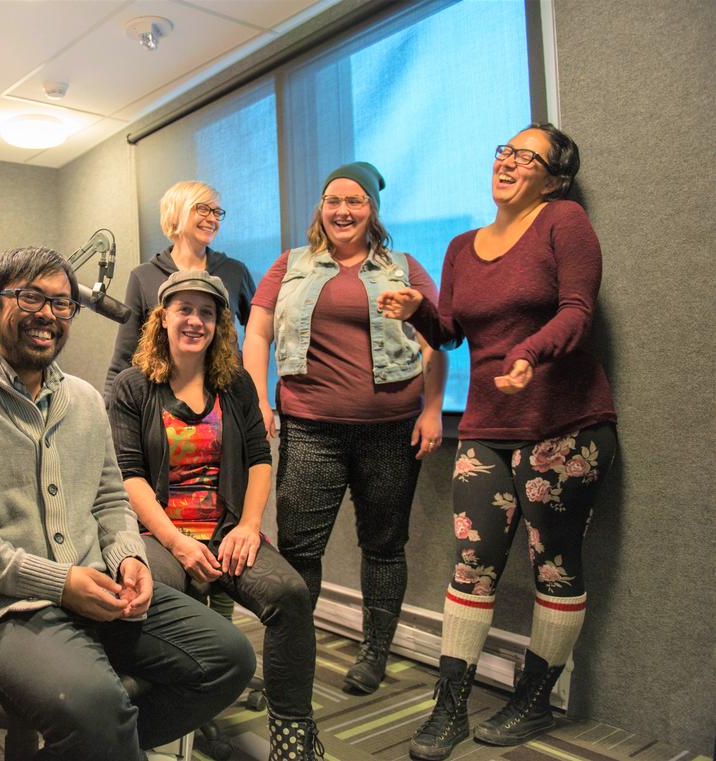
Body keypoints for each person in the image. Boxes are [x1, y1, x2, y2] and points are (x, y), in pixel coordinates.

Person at [0, 246, 256, 761]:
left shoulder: (87, 399)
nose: (49, 314)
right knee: (94, 707)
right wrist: (59, 583)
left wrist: (128, 556)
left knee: (228, 657)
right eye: (31, 298)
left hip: (99, 587)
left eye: (63, 304)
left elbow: (111, 498)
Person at [377, 124, 617, 760]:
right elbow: (451, 332)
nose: (507, 161)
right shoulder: (461, 246)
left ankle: (535, 701)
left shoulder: (564, 221)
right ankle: (448, 708)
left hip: (563, 425)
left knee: (555, 564)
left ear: (554, 175)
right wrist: (417, 312)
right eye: (503, 151)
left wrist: (529, 353)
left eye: (524, 155)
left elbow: (577, 310)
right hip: (485, 429)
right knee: (470, 565)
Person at [242, 162, 447, 695]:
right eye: (333, 200)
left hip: (390, 430)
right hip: (311, 429)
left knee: (383, 544)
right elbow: (258, 331)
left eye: (355, 201)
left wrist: (431, 409)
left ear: (372, 210)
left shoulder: (403, 266)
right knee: (299, 548)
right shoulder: (290, 265)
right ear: (321, 208)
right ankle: (290, 657)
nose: (343, 210)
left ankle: (374, 652)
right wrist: (257, 398)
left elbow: (439, 335)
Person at [109, 270, 322, 761]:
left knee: (290, 595)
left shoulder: (236, 384)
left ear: (220, 325)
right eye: (184, 309)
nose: (195, 321)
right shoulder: (131, 388)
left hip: (226, 528)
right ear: (162, 318)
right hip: (158, 533)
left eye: (207, 313)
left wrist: (248, 527)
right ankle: (159, 722)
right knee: (149, 596)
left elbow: (259, 460)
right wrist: (178, 543)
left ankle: (293, 739)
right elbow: (129, 475)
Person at [105, 180, 255, 400]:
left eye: (216, 212)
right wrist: (108, 410)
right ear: (177, 212)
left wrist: (254, 392)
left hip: (224, 398)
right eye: (203, 209)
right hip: (161, 402)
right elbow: (124, 355)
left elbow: (260, 333)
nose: (212, 218)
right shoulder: (143, 276)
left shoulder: (234, 271)